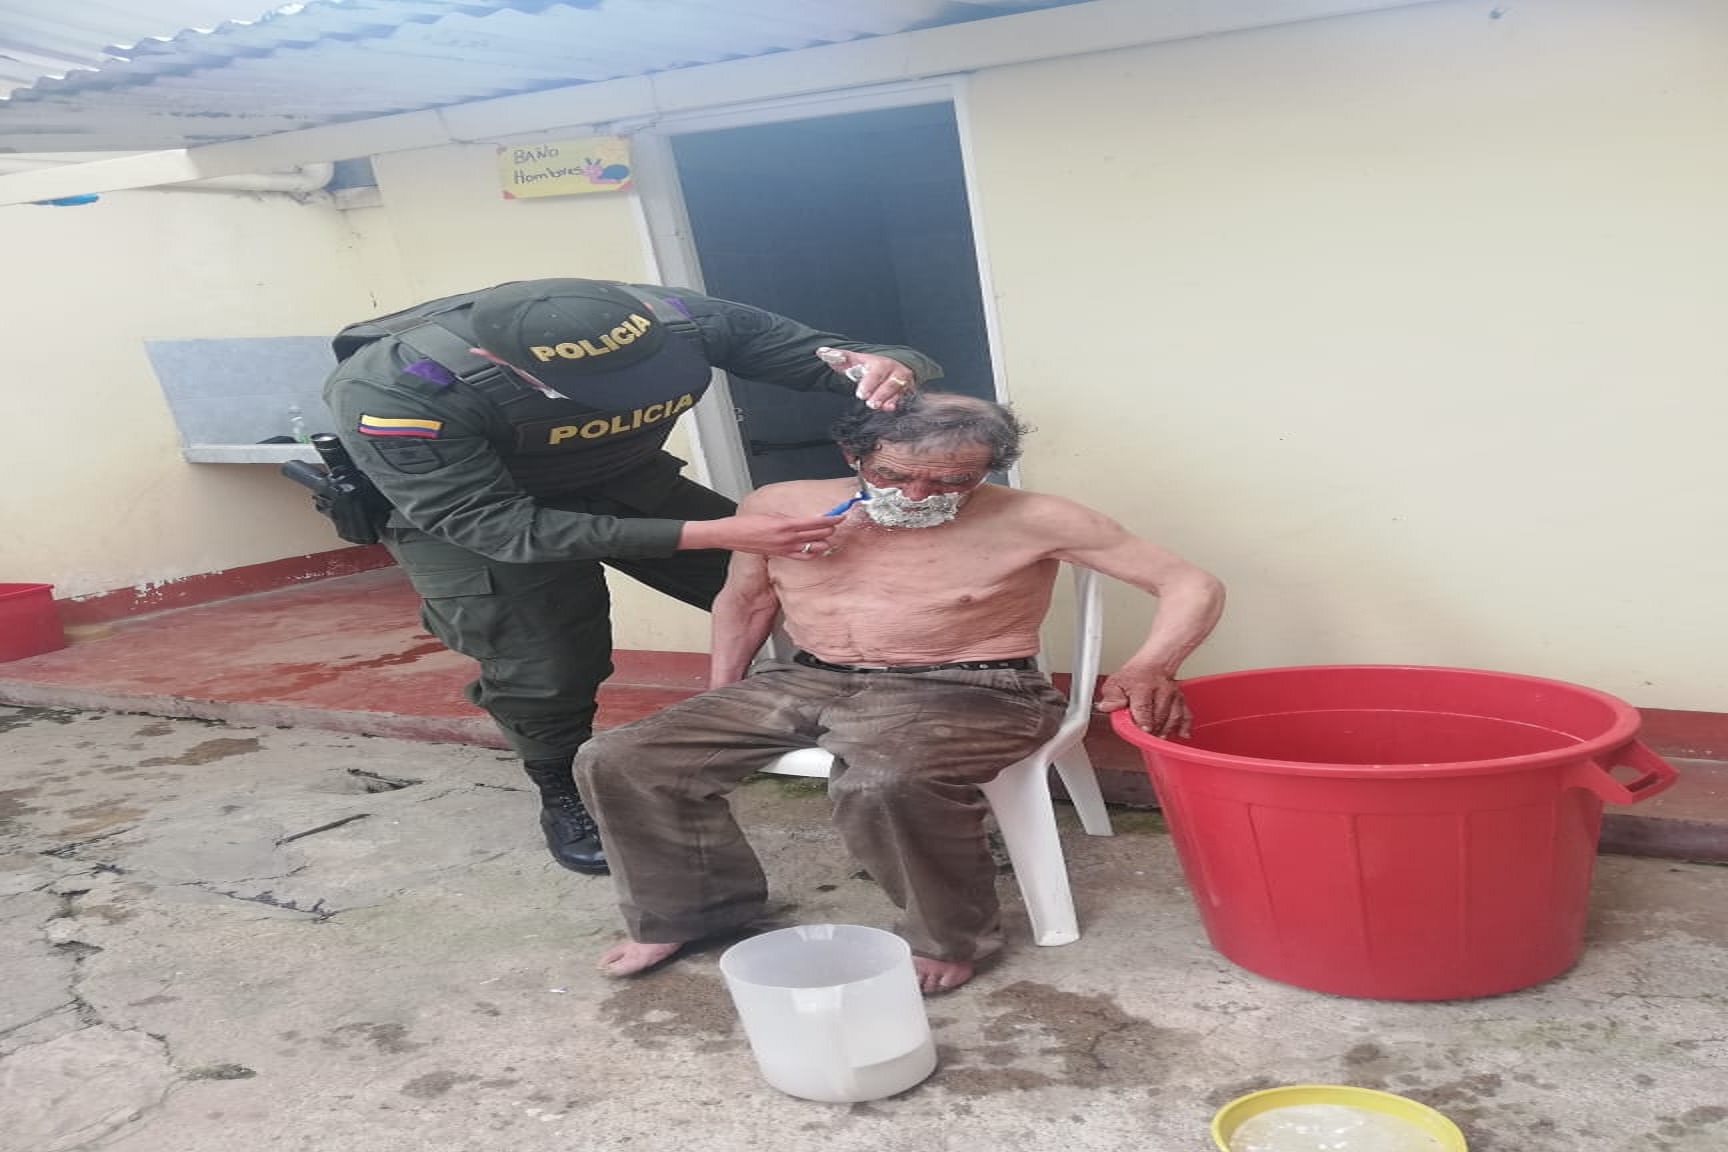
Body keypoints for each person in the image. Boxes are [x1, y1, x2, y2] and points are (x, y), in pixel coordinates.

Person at [575, 393, 1226, 993]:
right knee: (620, 758)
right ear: (852, 454)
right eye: (891, 475)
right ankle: (691, 912)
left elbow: (1190, 583)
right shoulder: (780, 505)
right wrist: (718, 697)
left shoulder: (1039, 517)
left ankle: (948, 939)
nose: (916, 496)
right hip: (808, 675)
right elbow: (744, 601)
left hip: (974, 688)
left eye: (951, 482)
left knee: (885, 783)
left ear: (989, 469)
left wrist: (1153, 663)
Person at [322, 277, 939, 875]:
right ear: (495, 360)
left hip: (623, 480)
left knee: (813, 581)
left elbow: (843, 357)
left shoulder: (683, 320)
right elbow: (498, 528)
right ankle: (562, 787)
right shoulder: (396, 390)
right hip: (480, 517)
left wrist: (890, 369)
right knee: (545, 663)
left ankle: (886, 731)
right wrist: (720, 533)